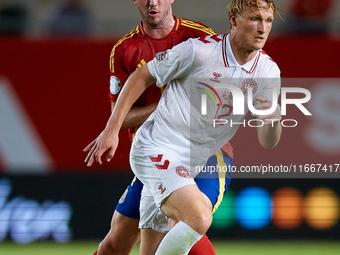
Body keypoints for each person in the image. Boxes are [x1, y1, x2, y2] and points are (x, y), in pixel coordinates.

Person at [85, 0, 282, 254]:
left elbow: (268, 140)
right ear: (233, 21)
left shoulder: (268, 71)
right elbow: (143, 75)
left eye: (268, 21)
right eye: (255, 19)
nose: (262, 28)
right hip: (157, 147)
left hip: (198, 158)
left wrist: (273, 121)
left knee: (154, 242)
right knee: (196, 218)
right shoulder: (199, 49)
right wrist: (111, 130)